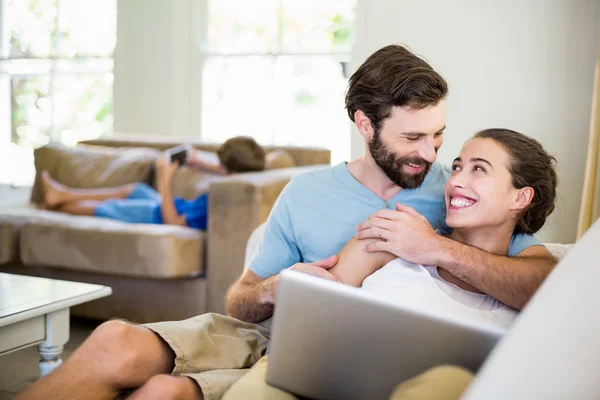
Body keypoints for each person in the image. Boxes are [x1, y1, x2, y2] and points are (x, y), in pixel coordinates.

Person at [16, 45, 557, 400]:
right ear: (365, 124)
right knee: (112, 340)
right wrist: (281, 285)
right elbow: (240, 300)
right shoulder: (305, 193)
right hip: (263, 331)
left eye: (438, 135)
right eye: (412, 138)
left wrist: (434, 248)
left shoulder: (464, 197)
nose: (432, 154)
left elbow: (536, 281)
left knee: (166, 393)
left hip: (329, 357)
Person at [220, 130, 558, 399]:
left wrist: (435, 248)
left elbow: (546, 285)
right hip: (333, 372)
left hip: (429, 387)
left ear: (521, 197)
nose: (454, 180)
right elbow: (317, 315)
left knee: (446, 383)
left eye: (478, 169)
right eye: (456, 167)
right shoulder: (394, 233)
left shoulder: (529, 282)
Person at [40, 136, 265, 230]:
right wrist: (200, 163)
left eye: (222, 167)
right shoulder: (244, 184)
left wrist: (165, 181)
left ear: (232, 173)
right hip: (173, 205)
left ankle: (58, 201)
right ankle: (63, 193)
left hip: (159, 214)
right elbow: (231, 174)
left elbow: (173, 222)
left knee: (103, 209)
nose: (218, 169)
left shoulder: (214, 204)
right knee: (133, 189)